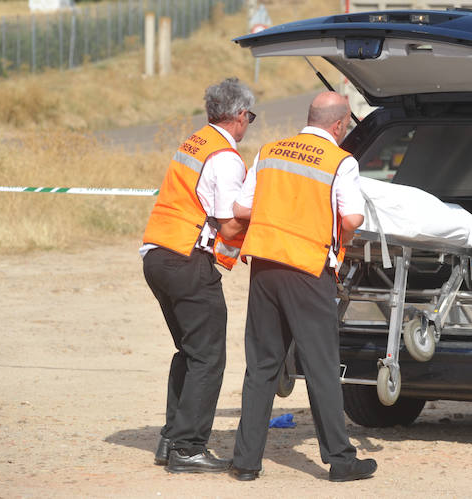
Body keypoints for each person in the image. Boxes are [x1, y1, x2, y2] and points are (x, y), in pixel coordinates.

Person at [228, 91, 376, 482]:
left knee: (261, 365)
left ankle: (245, 462)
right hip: (308, 271)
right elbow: (352, 219)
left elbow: (241, 209)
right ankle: (341, 461)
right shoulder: (340, 161)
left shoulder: (271, 150)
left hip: (264, 266)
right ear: (340, 125)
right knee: (321, 366)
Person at [141, 77, 254, 473]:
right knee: (208, 356)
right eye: (250, 117)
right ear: (240, 115)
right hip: (188, 260)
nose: (248, 123)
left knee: (190, 352)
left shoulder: (194, 142)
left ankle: (172, 440)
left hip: (158, 253)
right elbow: (229, 223)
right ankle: (188, 448)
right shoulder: (225, 157)